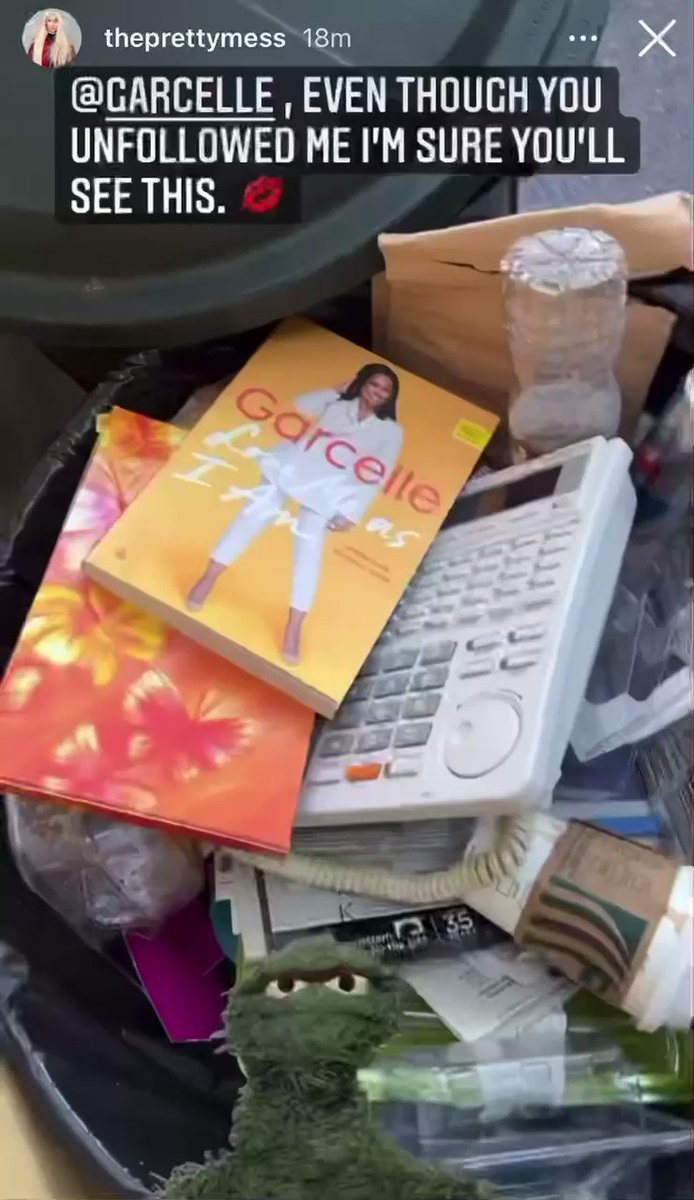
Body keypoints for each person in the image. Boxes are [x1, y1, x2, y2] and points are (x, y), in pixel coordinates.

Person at [186, 363, 403, 665]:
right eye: (373, 384)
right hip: (292, 464)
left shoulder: (391, 431)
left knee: (309, 550)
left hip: (328, 488)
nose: (377, 392)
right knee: (252, 516)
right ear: (362, 383)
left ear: (390, 397)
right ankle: (208, 578)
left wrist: (352, 511)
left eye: (385, 390)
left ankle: (294, 626)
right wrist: (336, 389)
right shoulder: (337, 403)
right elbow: (301, 405)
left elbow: (378, 473)